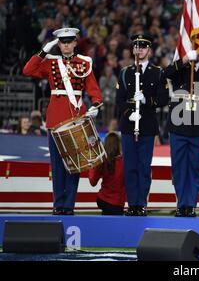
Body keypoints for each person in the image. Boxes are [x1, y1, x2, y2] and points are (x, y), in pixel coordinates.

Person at [23, 27, 103, 215]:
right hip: (56, 119)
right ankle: (58, 204)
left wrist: (96, 105)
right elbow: (28, 70)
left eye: (69, 41)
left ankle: (69, 205)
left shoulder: (84, 63)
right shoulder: (50, 62)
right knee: (57, 165)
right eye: (62, 42)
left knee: (75, 164)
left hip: (77, 117)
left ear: (75, 42)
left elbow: (93, 90)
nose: (66, 45)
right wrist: (44, 50)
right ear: (58, 44)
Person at [116, 33, 169, 216]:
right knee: (130, 166)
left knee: (144, 167)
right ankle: (132, 204)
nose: (139, 50)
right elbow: (119, 99)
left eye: (143, 47)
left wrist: (147, 100)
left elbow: (163, 99)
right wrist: (129, 113)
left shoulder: (158, 72)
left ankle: (142, 203)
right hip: (129, 125)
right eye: (136, 47)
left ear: (149, 50)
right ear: (133, 50)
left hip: (146, 125)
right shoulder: (125, 72)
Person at [163, 50, 199, 217]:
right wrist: (185, 60)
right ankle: (181, 204)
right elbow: (165, 74)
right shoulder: (180, 69)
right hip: (178, 125)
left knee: (194, 167)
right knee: (179, 167)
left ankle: (191, 204)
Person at [89, 132, 126, 215]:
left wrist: (93, 165)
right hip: (117, 203)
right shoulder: (125, 162)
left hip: (102, 200)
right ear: (119, 145)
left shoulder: (102, 161)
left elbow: (92, 182)